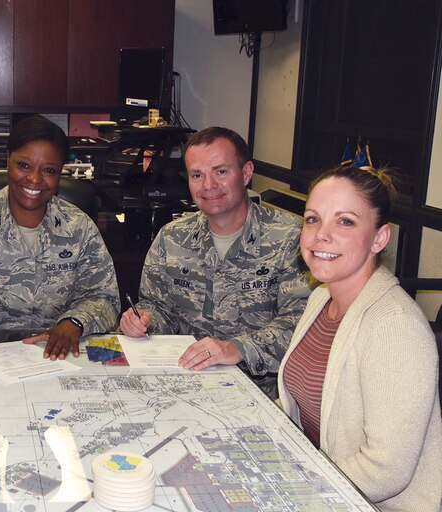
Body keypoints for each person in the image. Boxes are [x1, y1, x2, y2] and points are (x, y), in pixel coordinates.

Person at [278, 166, 441, 511]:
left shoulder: (395, 326)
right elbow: (300, 404)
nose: (321, 235)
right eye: (313, 219)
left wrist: (297, 489)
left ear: (379, 239)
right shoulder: (322, 297)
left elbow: (385, 469)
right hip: (322, 481)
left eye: (345, 222)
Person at [119, 126, 309, 397]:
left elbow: (301, 323)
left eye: (221, 172)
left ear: (246, 173)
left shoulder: (290, 238)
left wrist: (236, 348)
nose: (208, 185)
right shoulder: (172, 238)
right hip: (185, 383)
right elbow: (158, 307)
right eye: (197, 175)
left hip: (262, 395)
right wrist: (144, 321)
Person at [0, 115, 120, 359]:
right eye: (24, 165)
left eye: (48, 170)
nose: (35, 179)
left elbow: (104, 297)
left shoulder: (80, 227)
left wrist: (75, 323)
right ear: (8, 160)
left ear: (60, 173)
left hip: (58, 353)